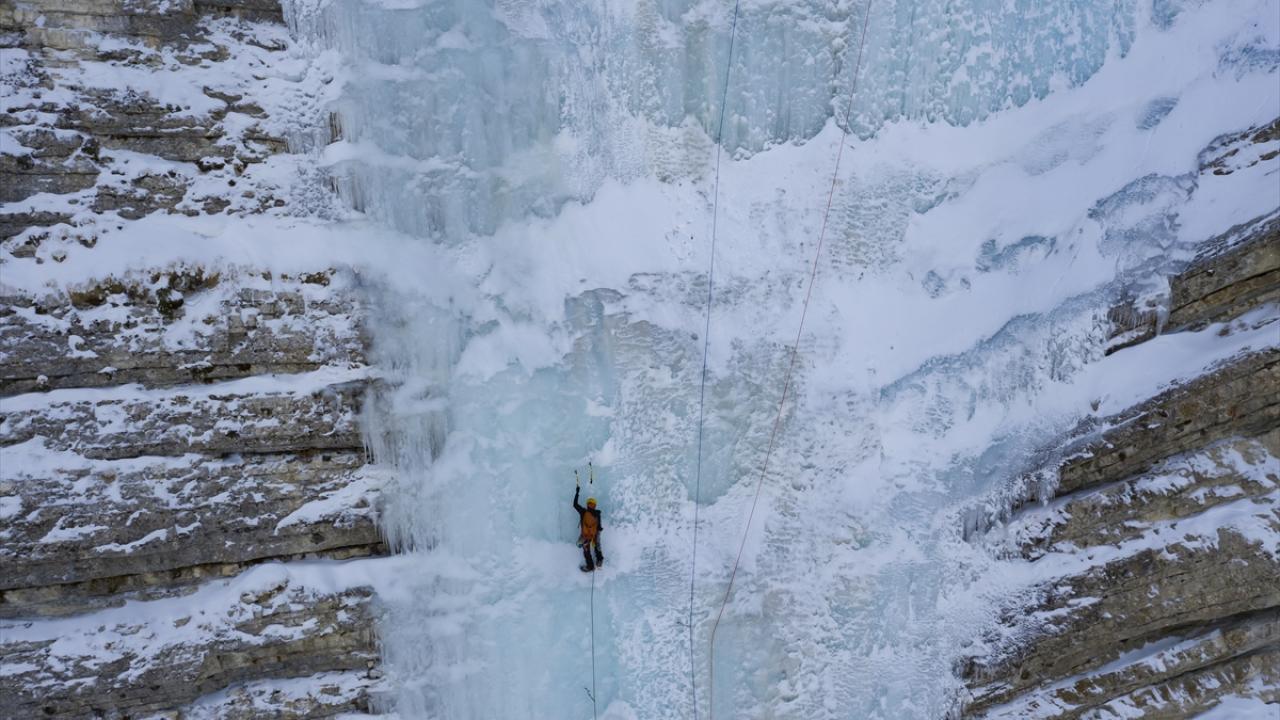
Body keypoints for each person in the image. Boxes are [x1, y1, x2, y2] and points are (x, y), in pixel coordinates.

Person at [573, 485, 604, 572]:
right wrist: (596, 537)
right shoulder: (598, 514)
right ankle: (599, 560)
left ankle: (590, 566)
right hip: (594, 534)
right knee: (597, 545)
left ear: (587, 504)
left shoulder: (583, 512)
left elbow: (575, 504)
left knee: (586, 551)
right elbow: (599, 527)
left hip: (585, 536)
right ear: (595, 505)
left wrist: (577, 492)